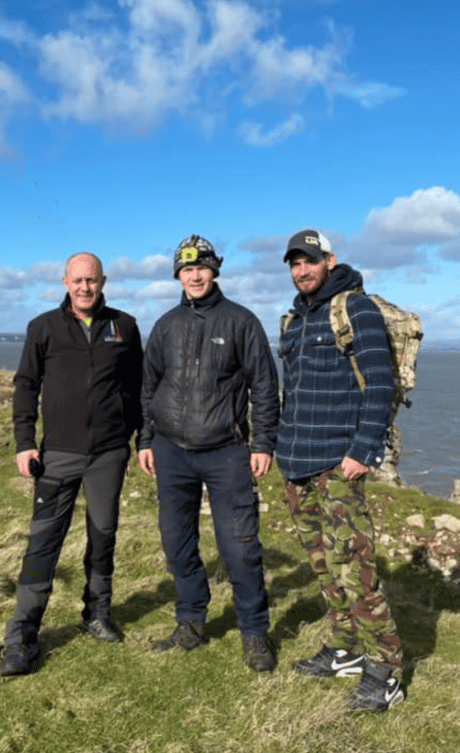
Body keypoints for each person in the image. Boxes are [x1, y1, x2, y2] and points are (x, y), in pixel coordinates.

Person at [275, 229, 406, 712]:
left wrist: (363, 449)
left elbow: (380, 385)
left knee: (356, 570)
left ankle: (386, 671)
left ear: (329, 260)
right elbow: (293, 391)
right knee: (324, 565)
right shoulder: (295, 319)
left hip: (338, 464)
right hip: (296, 463)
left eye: (308, 260)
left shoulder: (357, 310)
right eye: (293, 263)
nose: (301, 270)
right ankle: (346, 650)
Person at [137, 234, 279, 673]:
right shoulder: (164, 325)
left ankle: (254, 633)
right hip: (171, 451)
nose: (194, 275)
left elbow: (265, 387)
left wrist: (263, 443)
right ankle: (191, 624)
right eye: (186, 268)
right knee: (177, 544)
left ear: (215, 270)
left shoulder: (241, 321)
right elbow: (147, 388)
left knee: (239, 547)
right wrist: (145, 440)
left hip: (228, 452)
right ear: (177, 274)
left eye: (201, 267)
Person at [0, 252, 143, 677]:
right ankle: (22, 637)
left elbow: (138, 388)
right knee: (43, 544)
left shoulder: (125, 326)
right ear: (65, 281)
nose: (85, 287)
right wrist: (26, 442)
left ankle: (96, 614)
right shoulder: (43, 327)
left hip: (109, 454)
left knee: (103, 537)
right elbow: (25, 386)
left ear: (104, 282)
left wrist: (137, 436)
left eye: (93, 280)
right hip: (57, 454)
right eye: (78, 280)